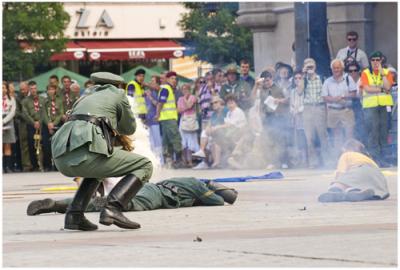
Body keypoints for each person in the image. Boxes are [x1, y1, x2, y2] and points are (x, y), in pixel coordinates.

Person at [51, 72, 153, 231]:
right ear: (118, 85)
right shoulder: (118, 94)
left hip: (60, 158)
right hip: (86, 154)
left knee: (98, 170)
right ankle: (113, 208)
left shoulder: (84, 96)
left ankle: (74, 215)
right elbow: (128, 128)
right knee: (145, 165)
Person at [27, 177, 238, 216]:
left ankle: (57, 204)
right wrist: (211, 187)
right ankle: (56, 205)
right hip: (156, 196)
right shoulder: (198, 185)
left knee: (104, 201)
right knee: (112, 204)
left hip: (151, 188)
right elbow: (222, 201)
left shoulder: (186, 180)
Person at [318, 139, 389, 202]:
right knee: (358, 183)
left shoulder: (347, 154)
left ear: (348, 149)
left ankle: (337, 191)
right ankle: (355, 191)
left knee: (339, 184)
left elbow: (341, 172)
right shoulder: (368, 159)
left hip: (360, 170)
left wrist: (337, 182)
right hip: (378, 177)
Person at [359, 51, 394, 167]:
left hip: (384, 106)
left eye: (377, 60)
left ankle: (384, 158)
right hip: (370, 107)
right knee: (373, 132)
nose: (375, 62)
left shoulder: (387, 72)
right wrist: (382, 89)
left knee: (383, 132)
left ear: (381, 60)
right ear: (370, 61)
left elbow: (388, 87)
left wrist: (382, 74)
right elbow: (368, 89)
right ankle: (374, 158)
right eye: (373, 60)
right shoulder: (365, 73)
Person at [252, 70, 290, 169]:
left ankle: (284, 162)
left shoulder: (279, 88)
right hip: (267, 117)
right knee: (269, 140)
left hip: (278, 116)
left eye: (268, 81)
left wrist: (279, 100)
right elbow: (252, 97)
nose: (266, 83)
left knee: (281, 140)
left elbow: (288, 100)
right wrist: (256, 85)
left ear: (271, 79)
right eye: (264, 81)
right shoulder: (261, 90)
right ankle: (272, 162)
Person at [322, 59, 357, 158]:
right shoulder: (327, 81)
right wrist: (334, 99)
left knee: (349, 134)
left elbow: (354, 94)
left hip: (346, 110)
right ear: (331, 69)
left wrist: (343, 97)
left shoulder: (348, 79)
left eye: (338, 68)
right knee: (336, 136)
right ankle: (339, 157)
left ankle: (350, 156)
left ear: (342, 68)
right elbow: (324, 97)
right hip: (333, 111)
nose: (336, 70)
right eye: (334, 68)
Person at [300, 58, 330, 168]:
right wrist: (303, 76)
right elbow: (299, 91)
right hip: (307, 109)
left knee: (323, 136)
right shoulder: (304, 79)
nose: (309, 68)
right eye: (307, 66)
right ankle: (313, 162)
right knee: (309, 137)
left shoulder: (321, 78)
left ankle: (327, 160)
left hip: (319, 108)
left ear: (315, 66)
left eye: (311, 66)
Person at [208, 94, 247, 168]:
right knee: (217, 139)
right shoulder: (229, 113)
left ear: (236, 103)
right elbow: (226, 124)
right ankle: (218, 162)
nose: (230, 105)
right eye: (228, 103)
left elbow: (230, 125)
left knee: (222, 136)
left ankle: (232, 159)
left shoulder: (237, 111)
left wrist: (217, 127)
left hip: (241, 133)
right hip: (232, 134)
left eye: (232, 103)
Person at [155, 71, 184, 168]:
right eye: (172, 78)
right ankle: (179, 161)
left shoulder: (167, 89)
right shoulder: (166, 89)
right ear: (167, 79)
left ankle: (169, 162)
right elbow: (160, 103)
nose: (174, 80)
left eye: (175, 79)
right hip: (169, 119)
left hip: (166, 119)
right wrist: (157, 115)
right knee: (176, 138)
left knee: (167, 141)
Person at [21, 81, 46, 172]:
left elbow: (44, 112)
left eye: (35, 88)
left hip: (42, 125)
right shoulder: (25, 101)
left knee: (43, 145)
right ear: (29, 89)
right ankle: (34, 165)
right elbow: (25, 113)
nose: (33, 90)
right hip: (31, 126)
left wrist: (39, 122)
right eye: (31, 89)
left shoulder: (43, 99)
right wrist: (33, 122)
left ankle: (44, 165)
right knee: (32, 145)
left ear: (37, 88)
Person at [42, 84, 64, 171]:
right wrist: (49, 124)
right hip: (47, 126)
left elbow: (61, 113)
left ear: (55, 90)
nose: (51, 91)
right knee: (47, 146)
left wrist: (54, 124)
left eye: (52, 89)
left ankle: (57, 166)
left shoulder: (59, 100)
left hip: (57, 125)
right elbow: (43, 114)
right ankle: (47, 165)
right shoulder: (44, 101)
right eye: (49, 89)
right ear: (47, 91)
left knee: (57, 146)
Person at [177, 83, 199, 167]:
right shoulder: (180, 99)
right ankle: (184, 161)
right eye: (183, 89)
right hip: (183, 120)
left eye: (186, 89)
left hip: (191, 121)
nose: (185, 90)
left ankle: (190, 161)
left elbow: (189, 106)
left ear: (189, 89)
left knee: (191, 142)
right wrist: (186, 106)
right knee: (183, 141)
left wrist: (186, 100)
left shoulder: (193, 97)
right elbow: (178, 110)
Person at [144, 75, 164, 165]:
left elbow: (157, 104)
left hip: (155, 121)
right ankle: (153, 162)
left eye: (153, 81)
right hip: (148, 121)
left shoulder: (157, 92)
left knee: (157, 142)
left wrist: (150, 96)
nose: (151, 83)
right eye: (151, 81)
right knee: (150, 143)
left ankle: (161, 161)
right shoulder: (147, 92)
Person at [15, 82, 33, 172]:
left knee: (35, 144)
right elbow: (17, 112)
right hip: (23, 124)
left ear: (28, 88)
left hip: (34, 123)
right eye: (21, 90)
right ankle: (26, 165)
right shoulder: (18, 98)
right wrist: (25, 117)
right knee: (24, 145)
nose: (22, 91)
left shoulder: (33, 96)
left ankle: (36, 164)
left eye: (24, 89)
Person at [2, 81, 17, 173]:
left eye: (4, 88)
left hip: (8, 121)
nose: (2, 90)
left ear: (7, 89)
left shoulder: (11, 99)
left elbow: (13, 112)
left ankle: (8, 166)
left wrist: (3, 121)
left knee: (8, 145)